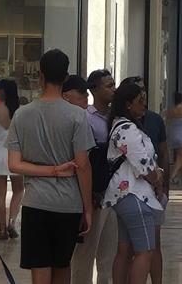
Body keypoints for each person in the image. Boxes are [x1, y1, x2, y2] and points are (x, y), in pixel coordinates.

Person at [7, 48, 94, 284]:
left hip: (35, 201)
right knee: (62, 265)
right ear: (66, 78)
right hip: (68, 203)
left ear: (40, 75)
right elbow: (83, 166)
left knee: (40, 268)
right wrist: (87, 208)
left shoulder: (22, 115)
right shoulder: (77, 116)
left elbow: (14, 164)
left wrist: (47, 170)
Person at [103, 80, 165, 284]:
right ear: (128, 104)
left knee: (125, 249)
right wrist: (158, 179)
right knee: (145, 251)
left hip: (125, 196)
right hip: (135, 195)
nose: (144, 106)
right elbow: (144, 166)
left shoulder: (120, 125)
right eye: (140, 101)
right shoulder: (127, 129)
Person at [73, 69, 117, 284]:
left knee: (109, 254)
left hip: (115, 193)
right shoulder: (85, 118)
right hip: (94, 194)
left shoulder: (116, 117)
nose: (113, 89)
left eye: (113, 84)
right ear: (94, 89)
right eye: (108, 86)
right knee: (85, 254)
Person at [0, 78, 23, 243]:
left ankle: (1, 229)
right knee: (18, 189)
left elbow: (2, 125)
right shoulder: (20, 110)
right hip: (15, 151)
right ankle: (11, 222)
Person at [165, 92, 182, 188]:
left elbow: (167, 122)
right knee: (181, 157)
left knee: (179, 156)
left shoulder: (170, 111)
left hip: (173, 135)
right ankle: (172, 176)